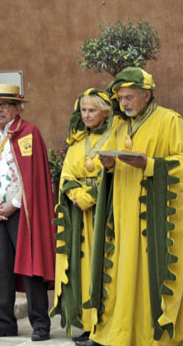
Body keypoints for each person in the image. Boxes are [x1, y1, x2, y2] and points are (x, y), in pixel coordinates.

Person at [83, 68, 183, 346]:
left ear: (146, 96)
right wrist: (107, 166)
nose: (124, 103)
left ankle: (150, 335)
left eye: (129, 97)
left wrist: (149, 165)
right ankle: (118, 332)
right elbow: (108, 161)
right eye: (121, 98)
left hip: (152, 219)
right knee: (120, 274)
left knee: (148, 276)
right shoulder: (121, 126)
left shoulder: (170, 121)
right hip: (122, 216)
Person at [0, 84, 55, 341]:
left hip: (22, 211)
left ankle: (40, 324)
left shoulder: (29, 133)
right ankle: (4, 322)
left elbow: (34, 178)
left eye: (4, 105)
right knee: (0, 268)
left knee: (30, 266)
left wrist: (13, 204)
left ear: (17, 108)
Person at [51, 89, 111, 341]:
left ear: (105, 113)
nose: (86, 115)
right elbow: (66, 174)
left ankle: (106, 324)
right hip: (79, 216)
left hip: (106, 212)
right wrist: (75, 193)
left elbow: (115, 172)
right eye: (83, 110)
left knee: (105, 266)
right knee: (83, 268)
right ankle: (88, 324)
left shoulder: (115, 138)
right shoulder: (75, 142)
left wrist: (90, 196)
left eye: (92, 110)